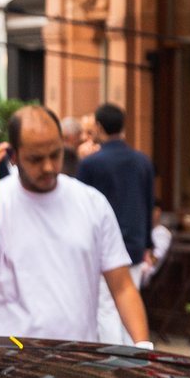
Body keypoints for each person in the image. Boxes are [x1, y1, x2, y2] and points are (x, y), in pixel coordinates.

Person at [0, 105, 148, 345]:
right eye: (36, 159)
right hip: (4, 361)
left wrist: (143, 348)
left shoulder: (91, 202)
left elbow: (122, 287)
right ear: (13, 157)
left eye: (55, 155)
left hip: (73, 357)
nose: (48, 167)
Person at [75, 102, 157, 288]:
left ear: (98, 127)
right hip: (134, 248)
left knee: (104, 311)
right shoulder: (142, 161)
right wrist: (148, 246)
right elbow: (148, 204)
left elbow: (80, 209)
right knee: (128, 306)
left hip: (100, 250)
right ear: (123, 126)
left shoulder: (89, 164)